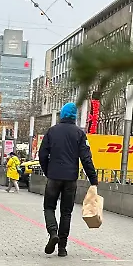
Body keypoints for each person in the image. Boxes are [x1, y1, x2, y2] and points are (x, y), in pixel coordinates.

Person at [39, 102, 98, 257]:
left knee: (49, 207)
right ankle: (62, 248)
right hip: (70, 179)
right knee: (66, 212)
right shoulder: (79, 134)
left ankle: (53, 233)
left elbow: (42, 155)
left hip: (54, 177)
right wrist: (93, 180)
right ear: (74, 117)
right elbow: (86, 158)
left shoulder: (52, 132)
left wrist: (48, 171)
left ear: (62, 115)